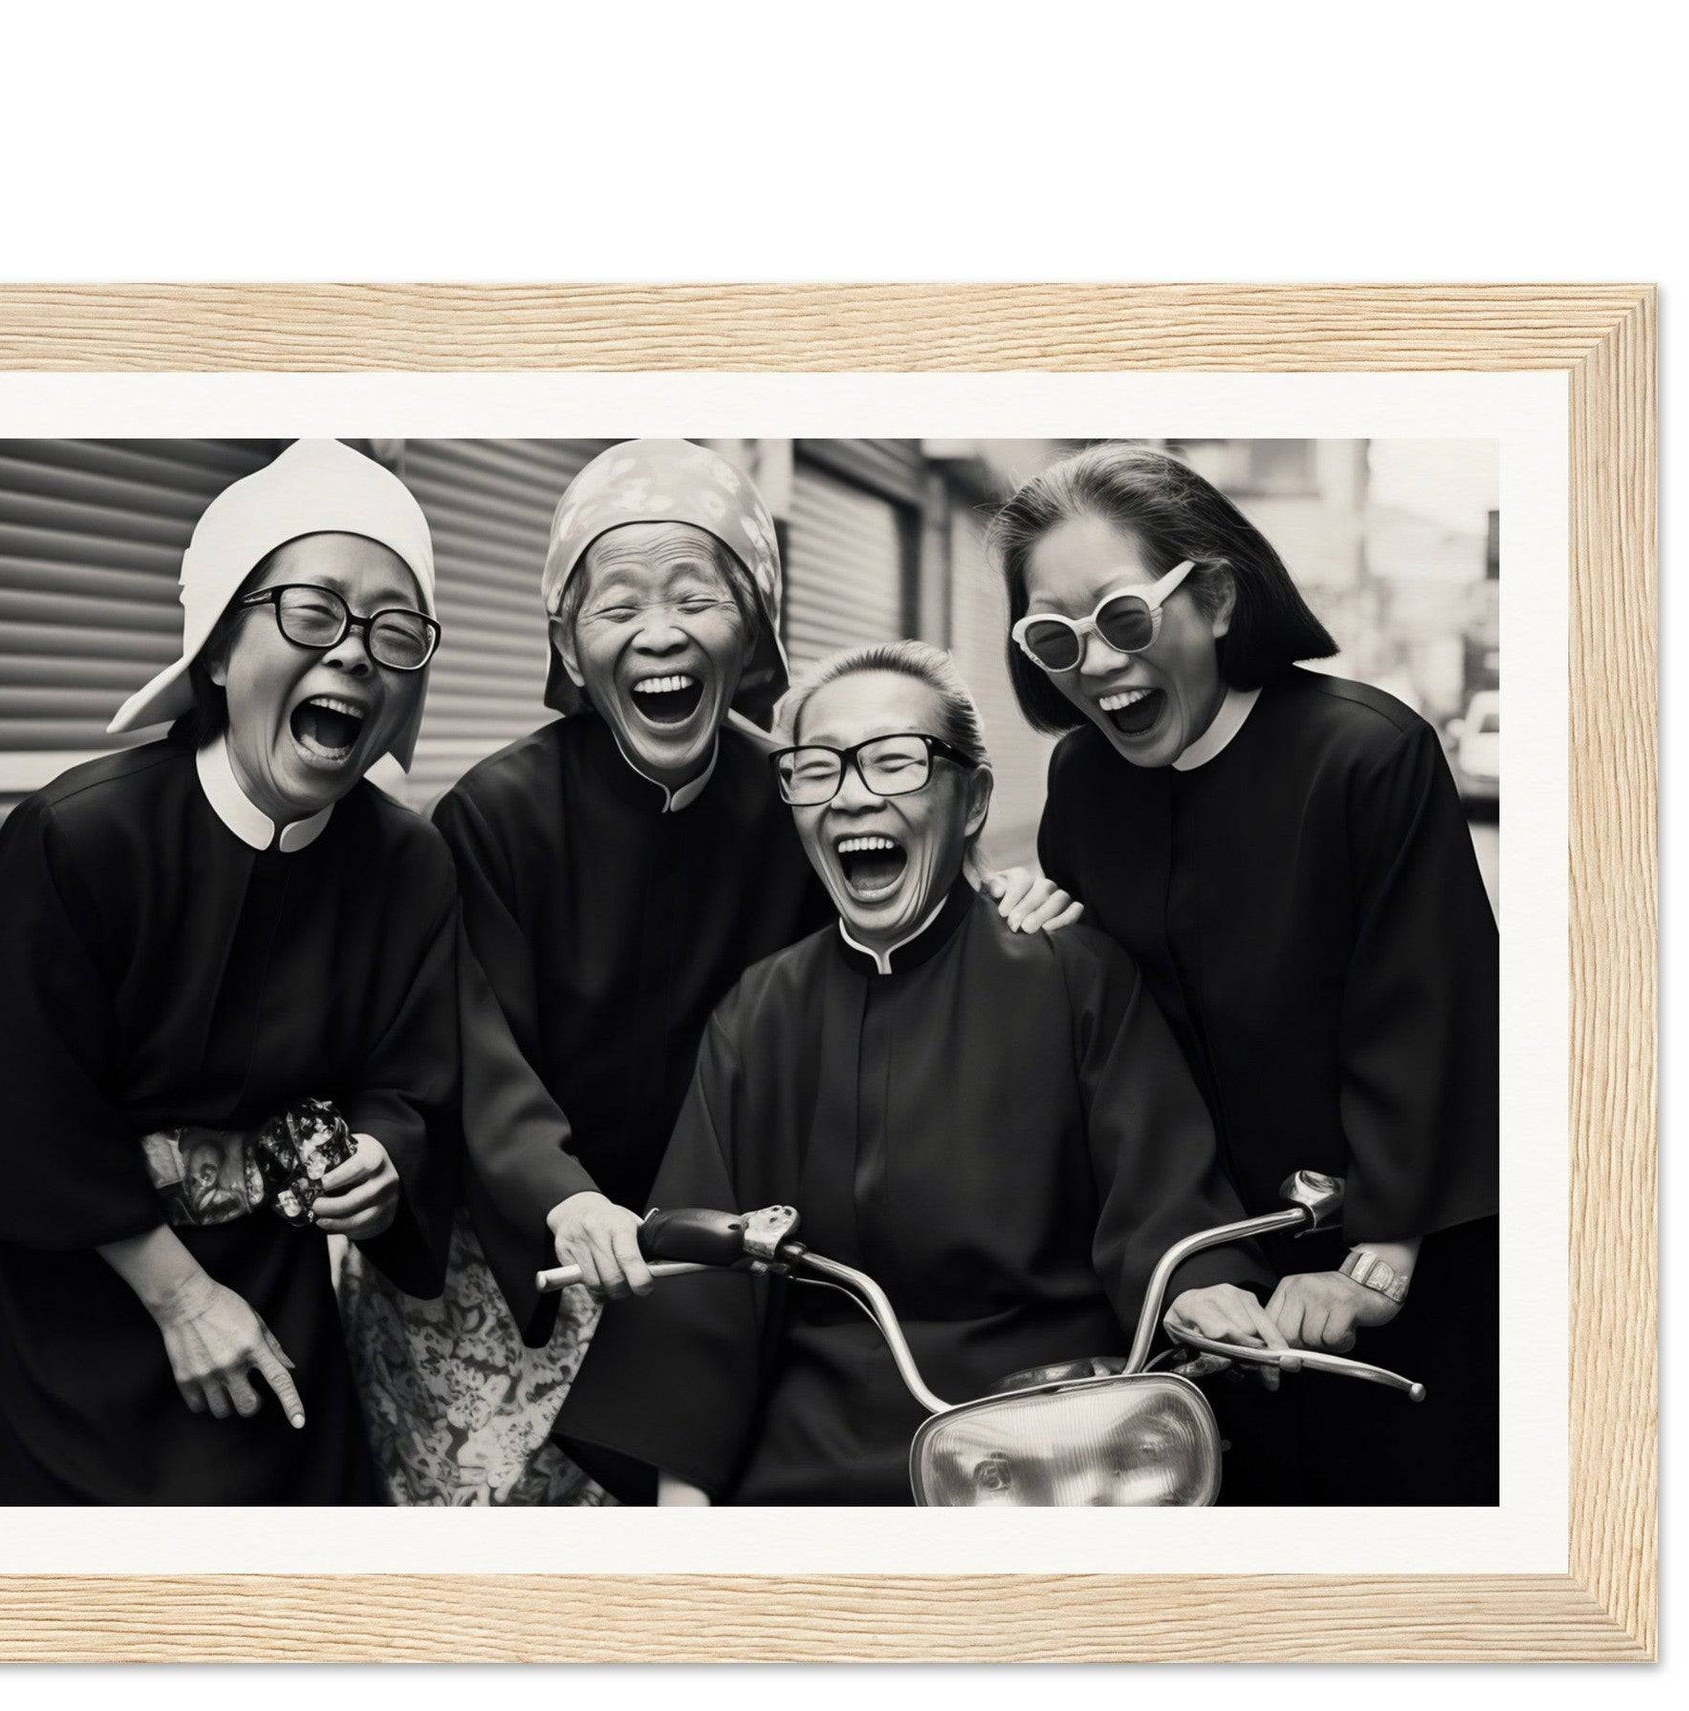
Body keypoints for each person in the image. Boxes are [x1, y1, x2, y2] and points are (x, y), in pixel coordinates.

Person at [341, 439, 1074, 1505]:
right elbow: (473, 1048)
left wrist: (1001, 896)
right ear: (565, 638)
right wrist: (565, 1198)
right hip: (524, 1253)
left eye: (697, 595)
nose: (658, 632)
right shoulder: (496, 814)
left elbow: (894, 903)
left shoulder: (793, 794)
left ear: (757, 627)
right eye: (615, 604)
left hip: (715, 1254)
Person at [553, 642, 1272, 1506]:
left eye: (896, 762)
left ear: (971, 799)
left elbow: (1162, 1198)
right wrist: (684, 1494)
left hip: (1049, 1439)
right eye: (816, 770)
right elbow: (700, 1274)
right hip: (810, 1454)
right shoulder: (761, 1011)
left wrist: (1204, 1290)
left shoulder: (1072, 975)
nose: (853, 794)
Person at [0, 439, 459, 1505]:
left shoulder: (407, 863)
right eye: (313, 613)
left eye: (392, 631)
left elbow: (413, 1074)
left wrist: (381, 1154)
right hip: (62, 1302)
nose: (354, 653)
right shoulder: (80, 835)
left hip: (264, 1289)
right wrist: (179, 1299)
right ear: (218, 651)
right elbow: (20, 1111)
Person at [990, 443, 1500, 1505]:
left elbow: (1430, 1020)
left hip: (1386, 1283)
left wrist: (1377, 1254)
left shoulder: (1365, 755)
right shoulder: (1080, 780)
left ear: (1214, 598)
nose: (1091, 662)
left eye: (1122, 618)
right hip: (1191, 1284)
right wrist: (1043, 930)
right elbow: (1111, 1033)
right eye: (1052, 636)